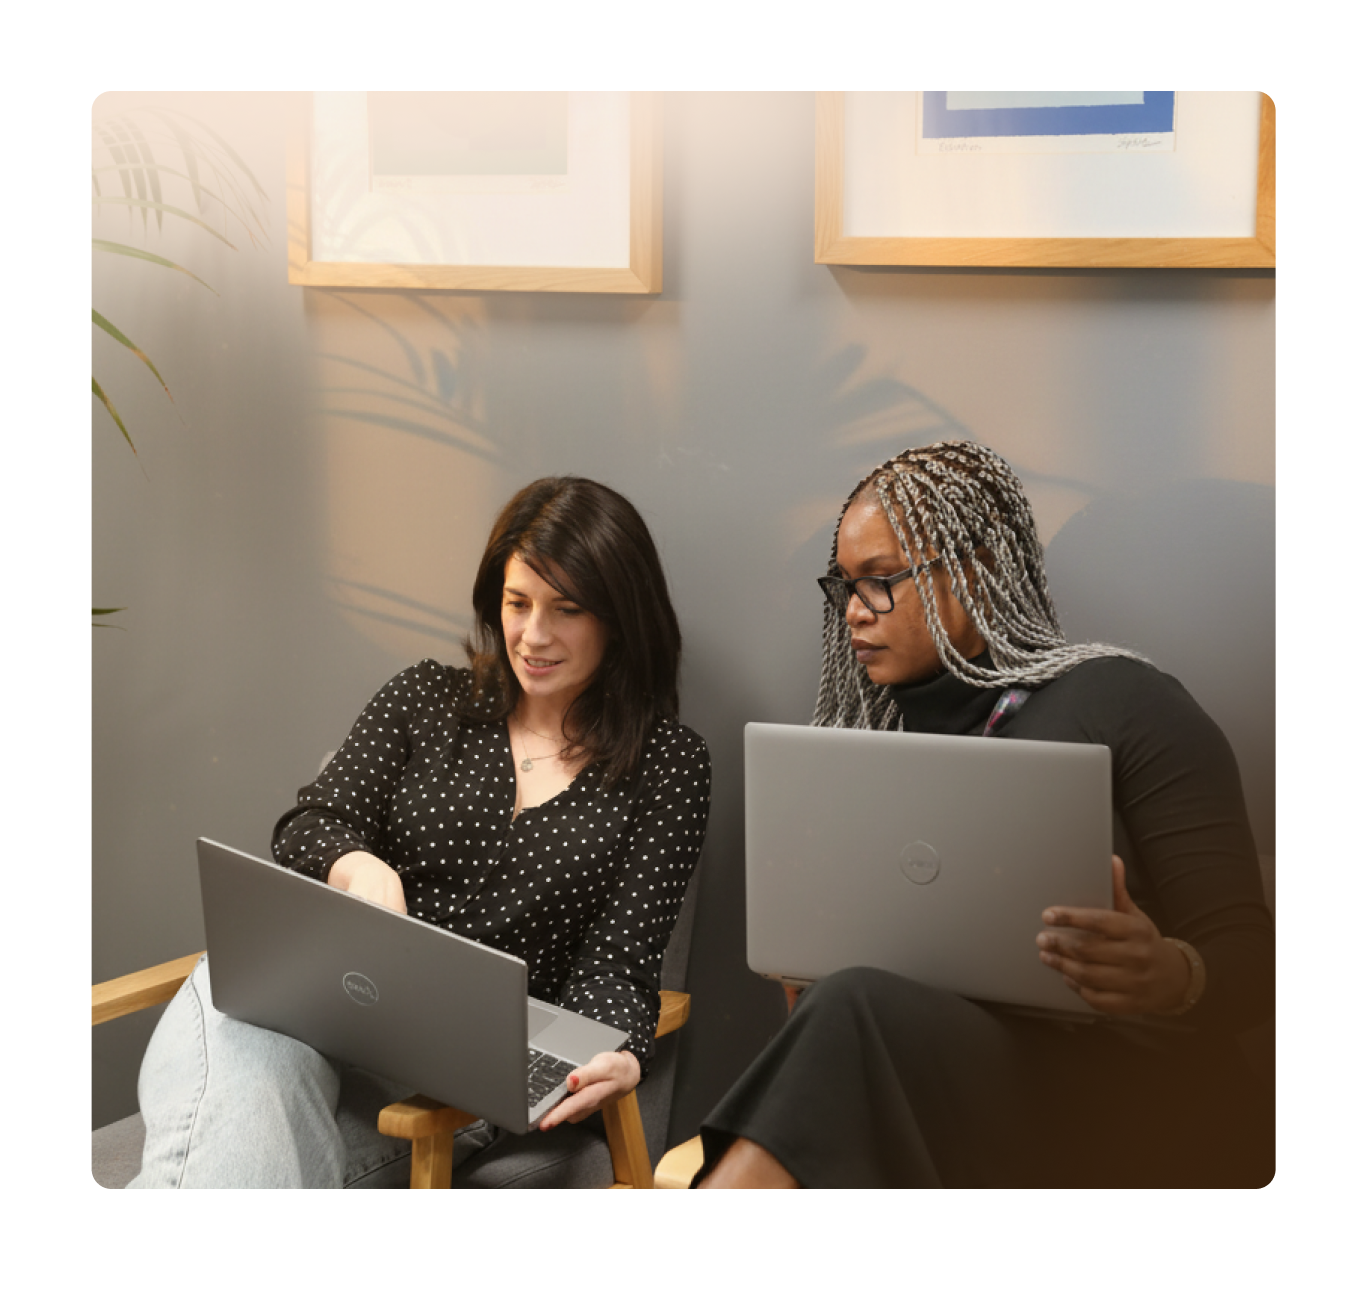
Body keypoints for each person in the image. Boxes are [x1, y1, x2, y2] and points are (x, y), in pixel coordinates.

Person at [694, 441, 1274, 1188]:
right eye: (843, 587)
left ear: (976, 571)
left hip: (1137, 1091)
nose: (852, 616)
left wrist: (1170, 973)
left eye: (879, 583)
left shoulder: (1126, 702)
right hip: (951, 1086)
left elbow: (1253, 965)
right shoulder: (870, 753)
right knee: (844, 1006)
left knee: (852, 1010)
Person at [129, 476, 711, 1188]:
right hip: (306, 1008)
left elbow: (620, 965)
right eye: (517, 602)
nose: (532, 635)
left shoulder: (669, 766)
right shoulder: (425, 698)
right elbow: (313, 824)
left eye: (568, 610)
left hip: (452, 1082)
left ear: (620, 617)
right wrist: (356, 866)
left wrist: (616, 1051)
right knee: (241, 1014)